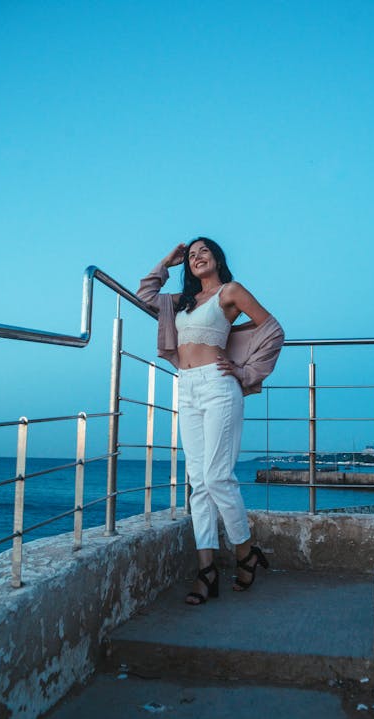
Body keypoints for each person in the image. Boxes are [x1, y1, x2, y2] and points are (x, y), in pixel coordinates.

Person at [137, 238, 284, 605]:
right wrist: (166, 262)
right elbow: (144, 296)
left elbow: (273, 329)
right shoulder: (181, 302)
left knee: (218, 477)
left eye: (203, 251)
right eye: (191, 255)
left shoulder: (229, 292)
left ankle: (245, 552)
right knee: (198, 483)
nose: (196, 257)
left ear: (217, 257)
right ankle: (207, 571)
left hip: (219, 386)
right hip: (186, 388)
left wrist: (245, 371)